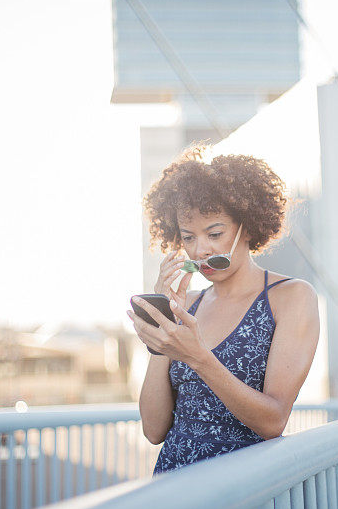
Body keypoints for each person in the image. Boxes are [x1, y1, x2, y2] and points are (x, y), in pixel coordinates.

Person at [125, 143, 320, 476]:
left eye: (215, 233)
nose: (201, 250)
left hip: (245, 488)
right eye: (188, 237)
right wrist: (162, 334)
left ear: (247, 226)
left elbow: (273, 421)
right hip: (174, 484)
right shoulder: (188, 305)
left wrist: (198, 357)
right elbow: (154, 430)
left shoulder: (291, 297)